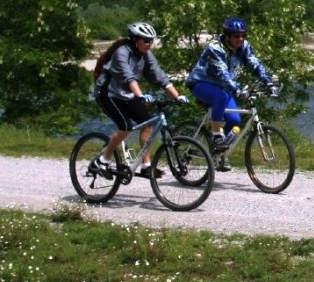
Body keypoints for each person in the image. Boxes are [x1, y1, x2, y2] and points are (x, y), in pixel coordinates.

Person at [93, 21, 190, 178]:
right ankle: (103, 160)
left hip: (128, 94)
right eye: (146, 40)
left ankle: (146, 166)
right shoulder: (121, 52)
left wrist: (177, 96)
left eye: (151, 40)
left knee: (148, 125)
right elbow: (128, 78)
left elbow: (159, 76)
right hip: (107, 93)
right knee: (125, 126)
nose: (149, 44)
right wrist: (141, 95)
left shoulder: (146, 55)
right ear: (135, 40)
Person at [186, 17, 278, 171]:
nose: (240, 39)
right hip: (200, 83)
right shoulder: (215, 47)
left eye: (243, 35)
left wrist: (267, 81)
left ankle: (220, 155)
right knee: (221, 97)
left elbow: (254, 63)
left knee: (234, 120)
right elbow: (223, 74)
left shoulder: (243, 46)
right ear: (227, 36)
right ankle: (216, 136)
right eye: (236, 36)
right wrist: (238, 90)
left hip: (223, 87)